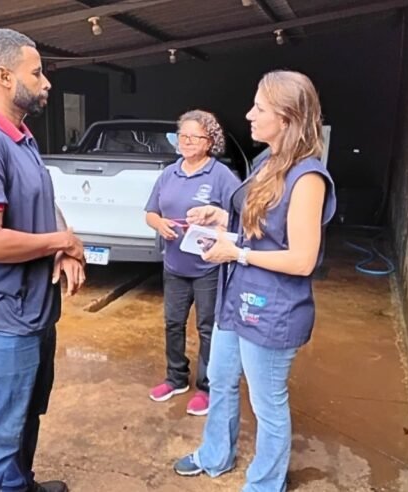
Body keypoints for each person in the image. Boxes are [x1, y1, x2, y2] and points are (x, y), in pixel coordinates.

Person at [173, 71, 337, 490]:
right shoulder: (267, 162)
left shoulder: (308, 177)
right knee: (221, 380)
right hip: (238, 298)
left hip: (273, 311)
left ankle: (266, 484)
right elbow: (263, 228)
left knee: (268, 405)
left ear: (286, 118)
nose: (248, 114)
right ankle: (215, 455)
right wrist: (221, 218)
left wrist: (238, 253)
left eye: (259, 108)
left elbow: (302, 259)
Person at [0, 28, 86, 492]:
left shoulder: (20, 138)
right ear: (5, 77)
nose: (46, 82)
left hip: (32, 312)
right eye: (37, 72)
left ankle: (18, 486)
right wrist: (59, 241)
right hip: (3, 318)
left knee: (25, 415)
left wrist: (61, 243)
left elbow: (41, 199)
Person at [145, 110, 240, 416]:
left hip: (208, 267)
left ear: (210, 140)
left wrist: (217, 222)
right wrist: (158, 224)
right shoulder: (169, 173)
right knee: (173, 323)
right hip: (174, 265)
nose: (185, 142)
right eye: (181, 136)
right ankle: (176, 378)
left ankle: (207, 387)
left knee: (207, 327)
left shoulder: (221, 176)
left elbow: (239, 219)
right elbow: (150, 212)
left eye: (193, 137)